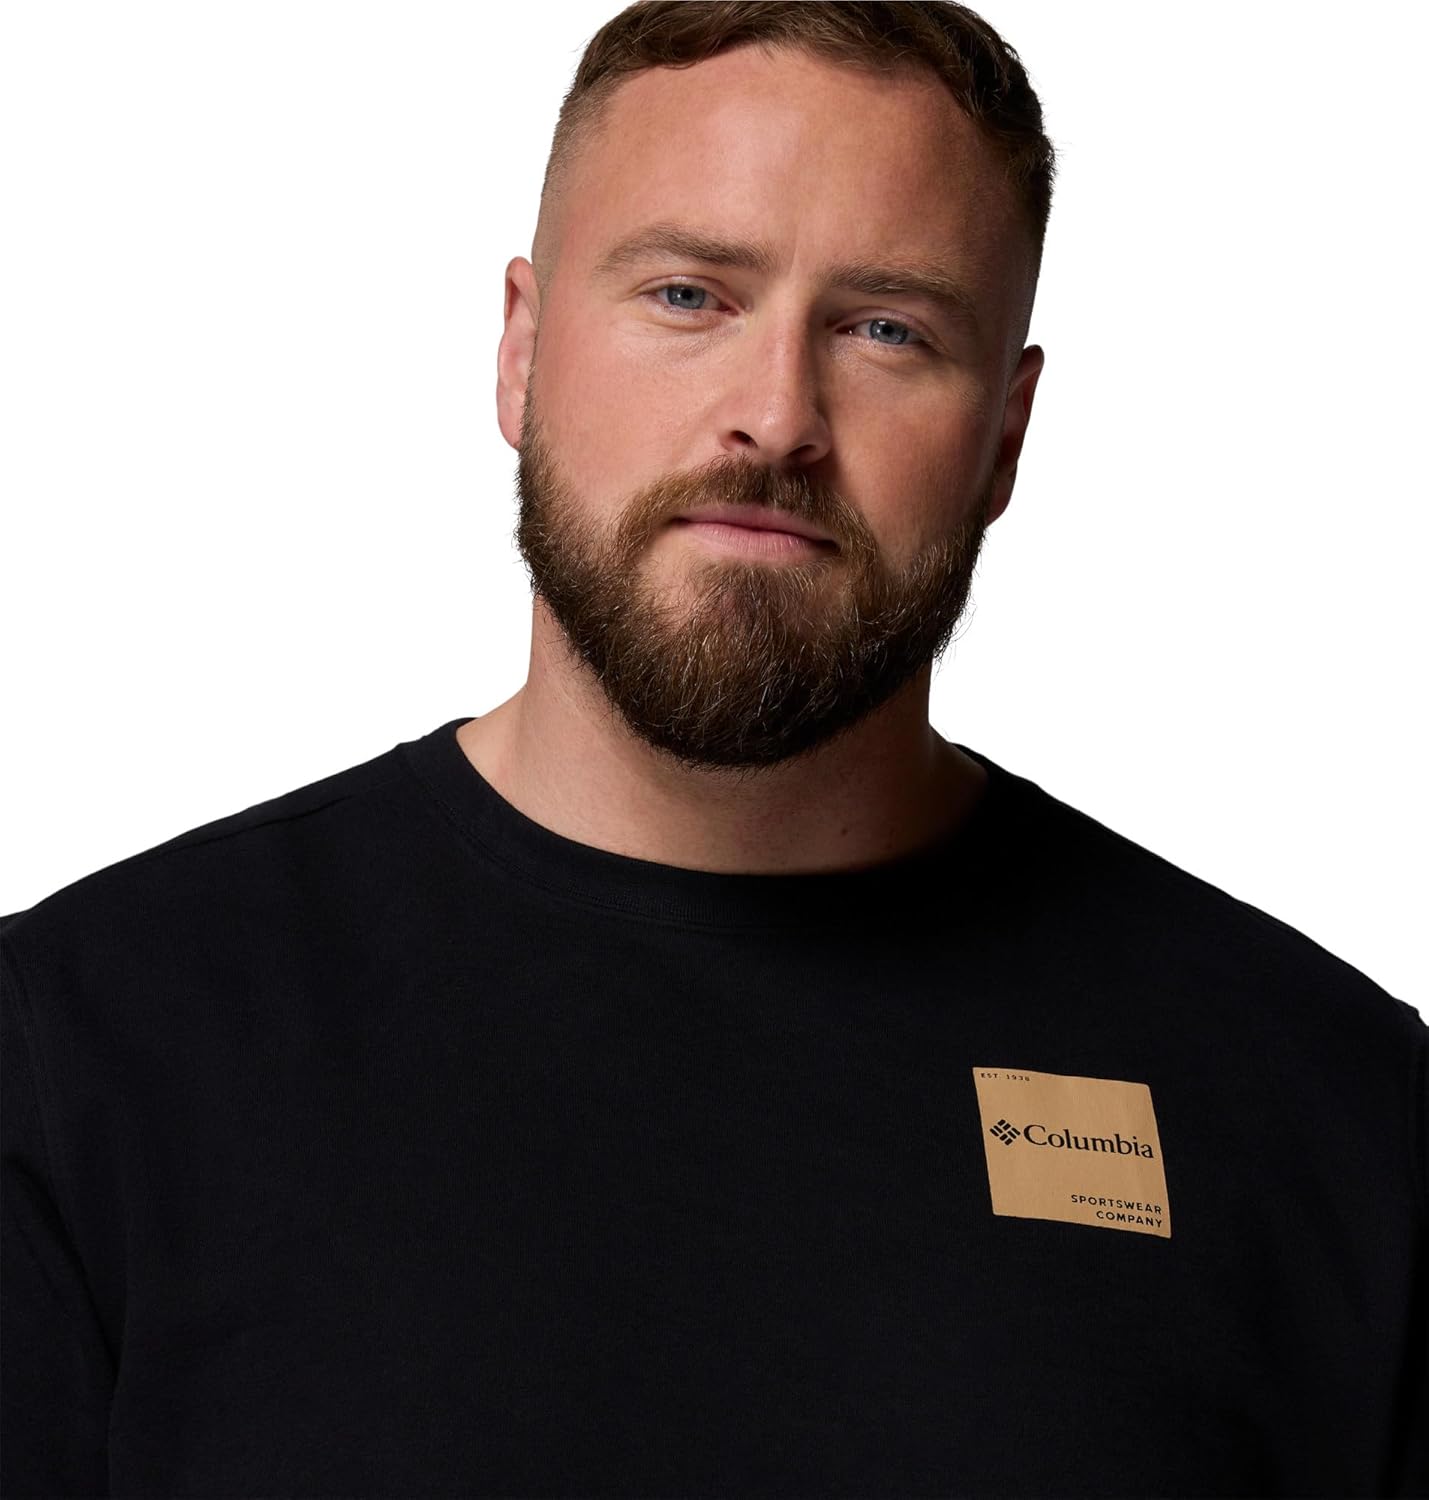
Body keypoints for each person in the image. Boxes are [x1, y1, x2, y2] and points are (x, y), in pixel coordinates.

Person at [2, 1, 1424, 1494]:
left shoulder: (1325, 1111)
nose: (775, 416)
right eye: (688, 295)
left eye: (886, 329)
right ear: (521, 352)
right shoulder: (94, 1053)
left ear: (1005, 437)